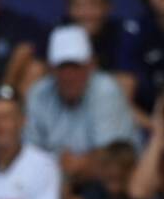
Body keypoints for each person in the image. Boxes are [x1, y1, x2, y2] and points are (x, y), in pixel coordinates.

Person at [24, 25, 139, 184]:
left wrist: (69, 166)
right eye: (63, 68)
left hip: (109, 187)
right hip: (52, 185)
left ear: (91, 66)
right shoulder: (39, 93)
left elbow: (111, 160)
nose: (69, 76)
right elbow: (28, 154)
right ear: (51, 69)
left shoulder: (106, 90)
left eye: (76, 67)